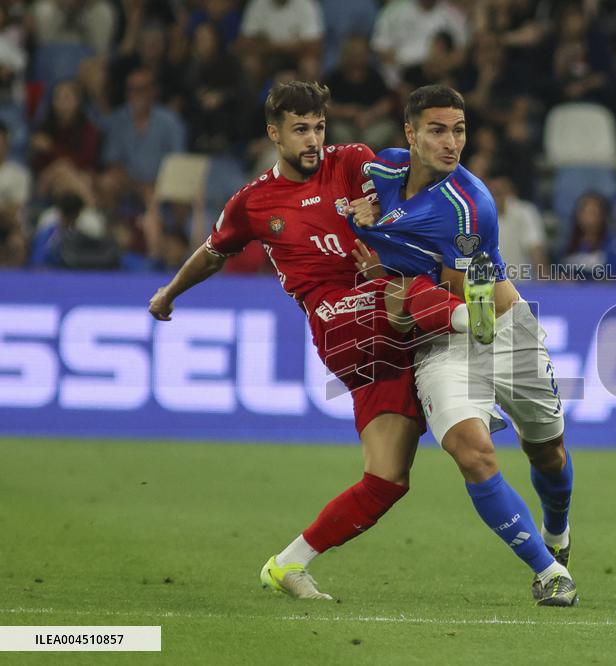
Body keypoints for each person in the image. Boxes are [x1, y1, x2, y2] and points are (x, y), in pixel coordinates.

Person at [147, 81, 429, 601]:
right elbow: (213, 252)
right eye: (300, 130)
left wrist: (385, 217)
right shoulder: (254, 202)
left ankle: (288, 563)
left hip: (385, 317)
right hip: (341, 324)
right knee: (431, 300)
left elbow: (407, 198)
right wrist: (169, 292)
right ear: (274, 134)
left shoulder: (352, 162)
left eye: (319, 127)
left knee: (388, 479)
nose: (313, 139)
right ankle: (485, 368)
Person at [348, 85, 578, 606]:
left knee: (548, 453)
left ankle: (558, 532)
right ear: (410, 134)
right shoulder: (381, 171)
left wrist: (384, 256)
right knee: (473, 453)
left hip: (501, 328)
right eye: (437, 130)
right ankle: (549, 573)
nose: (451, 142)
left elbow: (463, 304)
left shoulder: (471, 207)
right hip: (441, 342)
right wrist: (366, 225)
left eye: (459, 130)